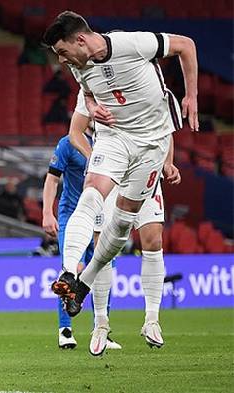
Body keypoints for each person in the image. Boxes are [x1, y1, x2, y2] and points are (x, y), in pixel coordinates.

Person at [43, 11, 197, 348]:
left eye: (63, 51)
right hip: (114, 138)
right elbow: (86, 92)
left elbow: (186, 45)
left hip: (151, 145)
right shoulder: (77, 64)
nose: (61, 59)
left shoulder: (131, 43)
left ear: (80, 40)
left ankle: (85, 284)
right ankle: (70, 273)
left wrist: (191, 95)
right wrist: (91, 105)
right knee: (91, 193)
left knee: (124, 227)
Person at [69, 91, 181, 353]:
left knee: (153, 240)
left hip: (146, 169)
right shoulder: (92, 83)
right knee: (103, 249)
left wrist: (168, 162)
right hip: (112, 174)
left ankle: (152, 320)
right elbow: (76, 131)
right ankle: (100, 324)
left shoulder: (149, 80)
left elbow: (165, 127)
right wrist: (97, 161)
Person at [42, 93, 120, 352]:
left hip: (102, 216)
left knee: (101, 268)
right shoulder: (69, 143)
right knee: (71, 270)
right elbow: (52, 179)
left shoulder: (113, 146)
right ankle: (65, 329)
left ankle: (102, 330)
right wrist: (47, 213)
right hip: (70, 214)